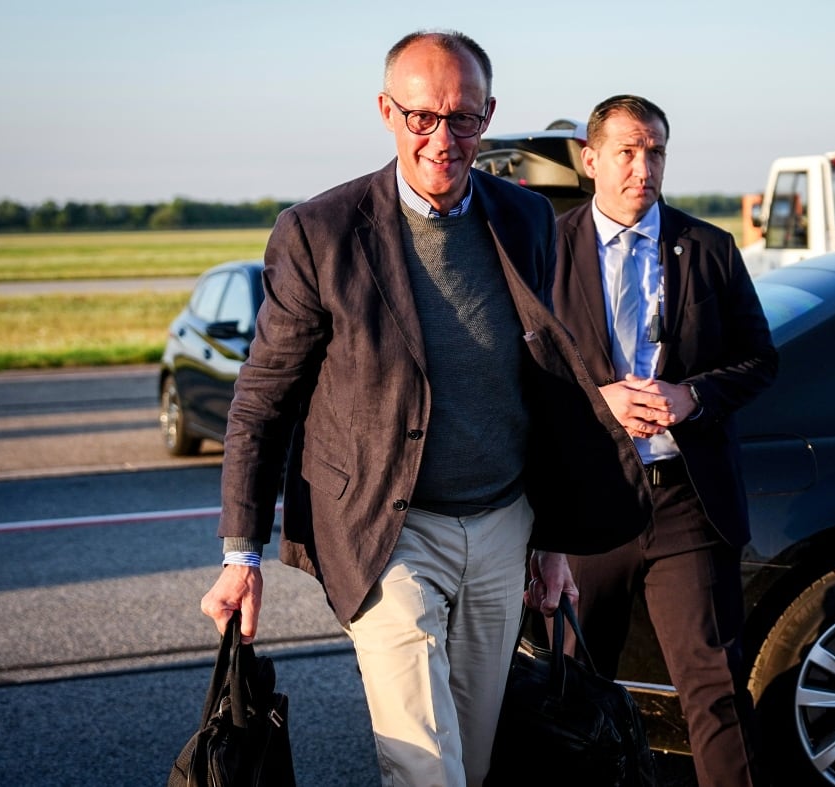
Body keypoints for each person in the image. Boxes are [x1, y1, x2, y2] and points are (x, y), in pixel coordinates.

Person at [199, 32, 650, 787]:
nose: (443, 139)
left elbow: (539, 384)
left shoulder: (526, 219)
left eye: (463, 119)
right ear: (387, 111)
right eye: (422, 118)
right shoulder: (319, 232)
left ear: (488, 116)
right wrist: (239, 554)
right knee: (425, 764)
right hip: (389, 529)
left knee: (473, 756)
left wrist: (551, 542)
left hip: (503, 524)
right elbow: (263, 399)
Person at [551, 95, 779, 787]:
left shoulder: (709, 247)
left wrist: (694, 396)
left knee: (714, 688)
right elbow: (521, 371)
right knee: (574, 694)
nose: (642, 168)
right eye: (626, 151)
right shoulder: (545, 249)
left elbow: (759, 359)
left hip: (685, 500)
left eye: (655, 153)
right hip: (589, 504)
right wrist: (601, 401)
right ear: (591, 160)